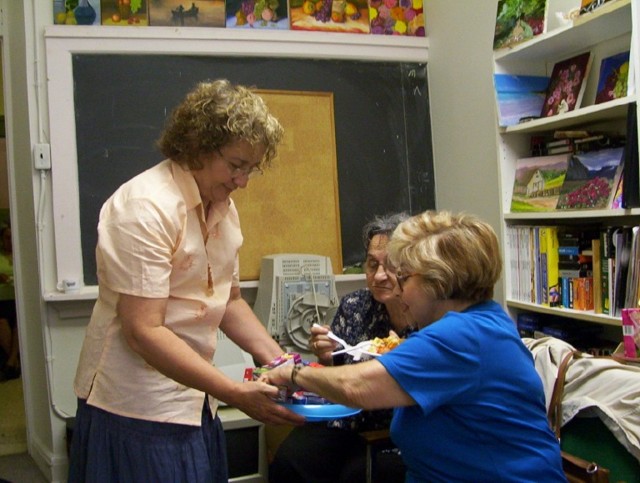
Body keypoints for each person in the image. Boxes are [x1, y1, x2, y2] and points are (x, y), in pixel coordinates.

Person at [68, 79, 305, 483]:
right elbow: (144, 331)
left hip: (195, 399)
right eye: (235, 165)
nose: (243, 181)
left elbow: (228, 302)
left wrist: (285, 365)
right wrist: (234, 393)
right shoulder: (146, 207)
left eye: (251, 169)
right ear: (197, 146)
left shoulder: (222, 208)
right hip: (136, 407)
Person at [261, 210, 566, 482]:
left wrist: (293, 373)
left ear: (438, 282)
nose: (399, 290)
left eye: (404, 278)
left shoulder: (460, 336)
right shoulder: (481, 322)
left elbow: (355, 387)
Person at [269, 213, 412, 483]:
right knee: (290, 459)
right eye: (372, 264)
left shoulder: (426, 312)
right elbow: (339, 372)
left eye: (391, 265)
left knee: (356, 474)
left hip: (399, 426)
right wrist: (327, 357)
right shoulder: (354, 306)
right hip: (348, 419)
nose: (379, 276)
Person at [0, 223, 20, 381]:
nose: (10, 241)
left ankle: (12, 363)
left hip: (18, 299)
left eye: (12, 237)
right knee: (2, 323)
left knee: (18, 325)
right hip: (2, 298)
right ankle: (14, 362)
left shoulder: (21, 257)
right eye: (7, 238)